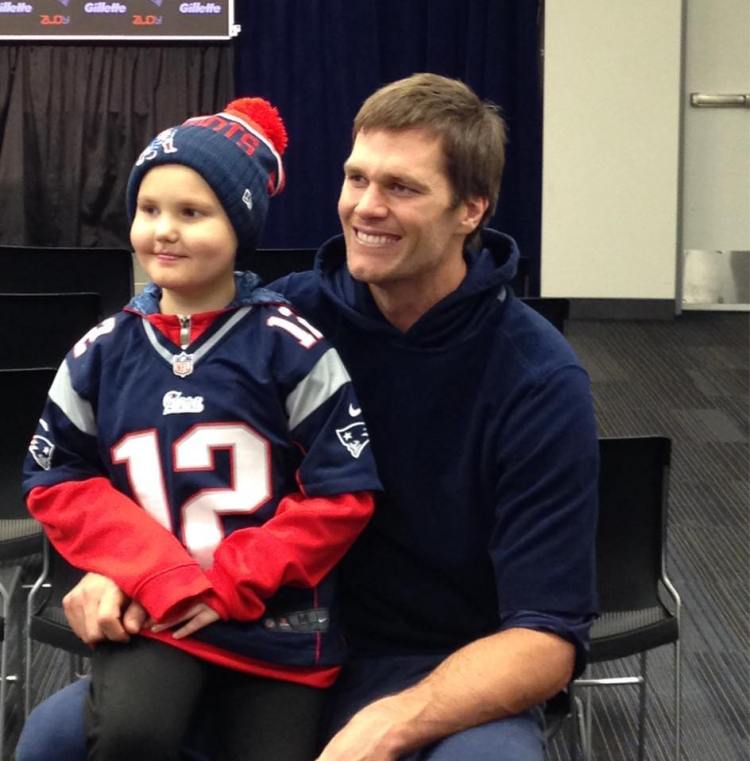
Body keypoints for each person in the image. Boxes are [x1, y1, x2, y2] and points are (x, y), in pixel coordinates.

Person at [17, 73, 598, 761]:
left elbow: (546, 642)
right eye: (356, 179)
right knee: (55, 740)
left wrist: (391, 724)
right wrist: (127, 564)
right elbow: (119, 467)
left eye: (402, 188)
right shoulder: (272, 324)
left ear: (471, 209)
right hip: (252, 631)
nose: (365, 208)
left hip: (434, 663)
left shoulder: (538, 378)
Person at [20, 96, 380, 761]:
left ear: (239, 226)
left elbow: (343, 491)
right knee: (133, 735)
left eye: (193, 212)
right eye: (149, 209)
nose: (165, 230)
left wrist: (234, 579)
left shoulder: (292, 347)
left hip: (280, 622)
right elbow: (57, 476)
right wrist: (152, 569)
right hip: (156, 615)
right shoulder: (99, 351)